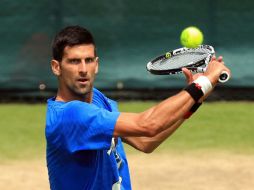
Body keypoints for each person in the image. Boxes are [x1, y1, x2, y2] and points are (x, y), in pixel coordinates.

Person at [45, 25, 230, 190]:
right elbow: (148, 125)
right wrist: (205, 81)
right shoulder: (69, 116)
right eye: (74, 61)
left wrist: (196, 98)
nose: (83, 69)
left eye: (89, 60)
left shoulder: (98, 99)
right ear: (56, 67)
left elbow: (146, 142)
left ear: (97, 64)